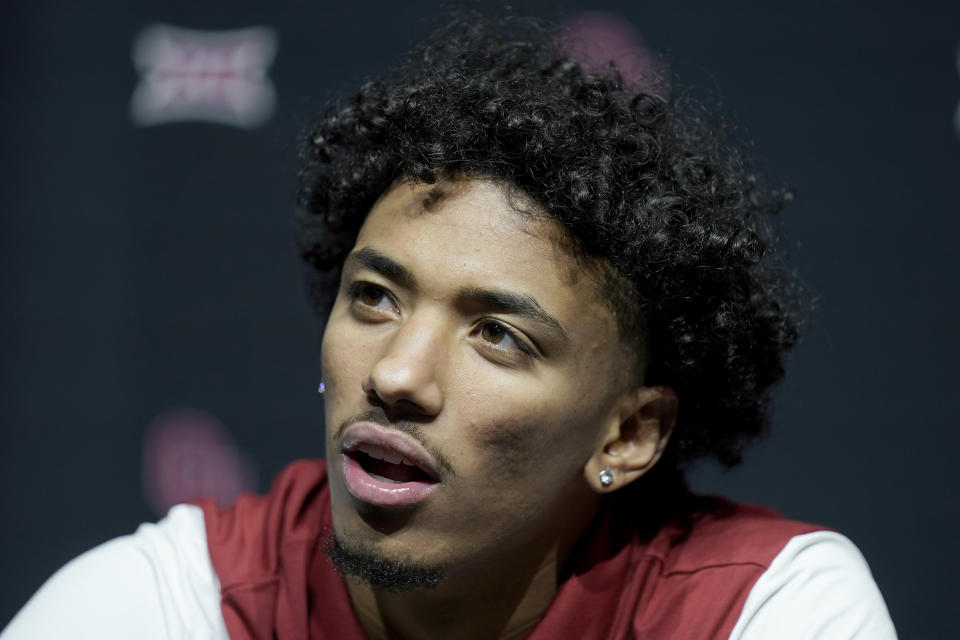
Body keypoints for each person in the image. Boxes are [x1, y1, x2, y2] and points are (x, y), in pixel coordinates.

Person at [2, 14, 897, 640]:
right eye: (377, 298)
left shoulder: (762, 610)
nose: (396, 376)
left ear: (627, 433)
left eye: (498, 335)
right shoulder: (177, 605)